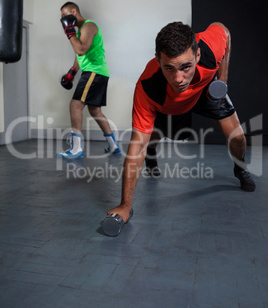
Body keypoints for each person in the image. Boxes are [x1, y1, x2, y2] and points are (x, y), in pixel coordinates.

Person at [106, 21, 256, 224]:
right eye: (169, 68)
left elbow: (224, 31)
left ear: (198, 56)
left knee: (238, 138)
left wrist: (223, 79)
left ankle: (240, 168)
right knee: (154, 134)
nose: (178, 79)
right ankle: (152, 154)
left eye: (186, 67)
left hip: (206, 91)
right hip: (171, 103)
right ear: (158, 60)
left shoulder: (211, 48)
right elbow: (136, 145)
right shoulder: (149, 88)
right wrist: (125, 206)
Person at [57, 1, 120, 158]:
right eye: (62, 16)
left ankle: (76, 148)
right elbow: (81, 55)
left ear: (74, 11)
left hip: (94, 72)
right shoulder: (80, 31)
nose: (63, 18)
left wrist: (69, 32)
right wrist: (72, 72)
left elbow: (81, 48)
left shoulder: (88, 26)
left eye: (65, 14)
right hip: (97, 72)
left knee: (75, 105)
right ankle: (113, 146)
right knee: (95, 110)